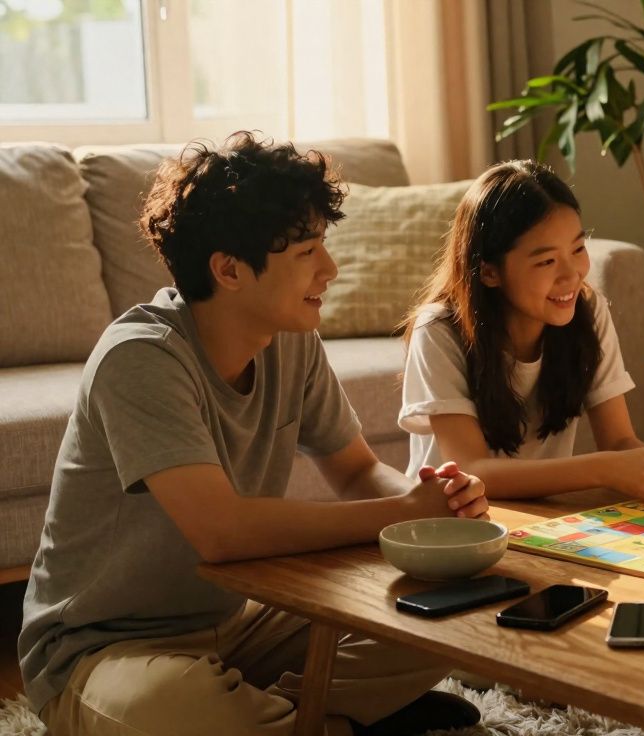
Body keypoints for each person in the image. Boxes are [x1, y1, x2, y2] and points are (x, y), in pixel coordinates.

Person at [19, 132, 489, 736]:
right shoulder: (140, 359)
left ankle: (309, 717)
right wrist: (398, 511)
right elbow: (222, 531)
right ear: (229, 270)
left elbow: (353, 471)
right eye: (307, 252)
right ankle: (339, 717)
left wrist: (433, 510)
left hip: (238, 625)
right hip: (104, 652)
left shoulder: (291, 339)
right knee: (181, 709)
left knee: (452, 603)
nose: (331, 269)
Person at [399, 159, 644, 502]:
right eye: (546, 261)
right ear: (489, 272)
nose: (572, 274)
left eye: (578, 248)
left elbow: (619, 441)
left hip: (540, 518)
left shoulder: (586, 310)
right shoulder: (441, 330)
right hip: (450, 523)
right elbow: (472, 468)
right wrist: (608, 468)